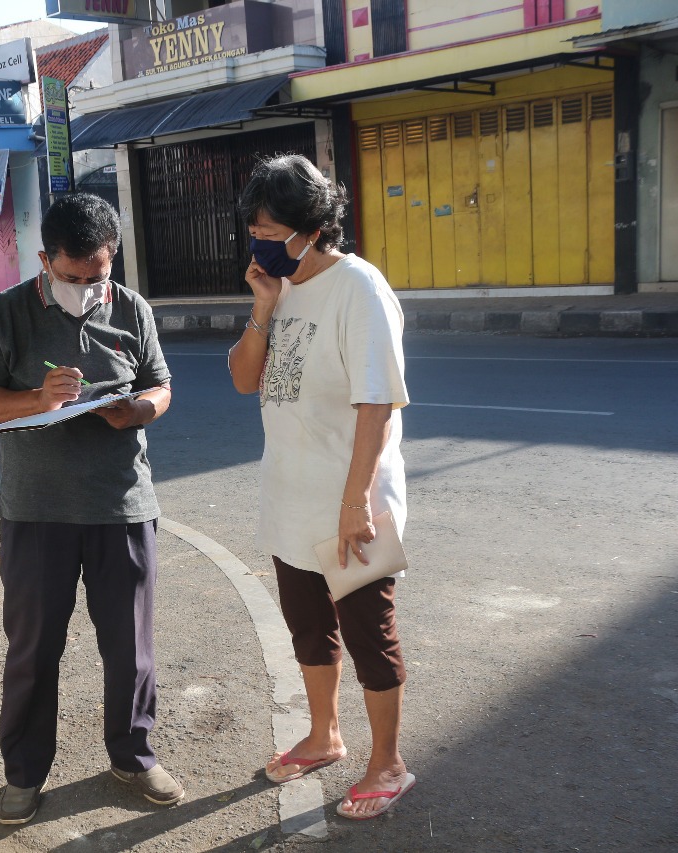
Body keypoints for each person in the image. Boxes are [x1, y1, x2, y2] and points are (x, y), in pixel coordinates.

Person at [0, 193, 179, 826]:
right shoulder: (8, 313)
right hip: (37, 512)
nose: (87, 288)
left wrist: (133, 410)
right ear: (45, 261)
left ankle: (133, 755)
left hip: (123, 506)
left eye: (99, 276)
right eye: (73, 277)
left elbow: (161, 387)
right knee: (32, 649)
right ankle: (24, 775)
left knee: (131, 648)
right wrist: (36, 397)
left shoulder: (132, 309)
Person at [226, 154, 414, 820]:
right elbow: (245, 379)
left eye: (272, 230)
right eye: (254, 228)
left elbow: (376, 403)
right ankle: (324, 733)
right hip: (290, 495)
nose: (260, 241)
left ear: (313, 227)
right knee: (309, 629)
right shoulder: (281, 289)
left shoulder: (358, 287)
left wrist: (355, 501)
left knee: (369, 633)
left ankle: (387, 761)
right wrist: (262, 307)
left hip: (349, 501)